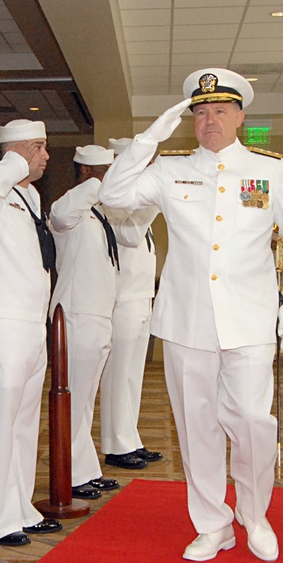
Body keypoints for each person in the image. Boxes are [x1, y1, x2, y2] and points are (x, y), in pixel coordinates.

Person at [99, 68, 283, 563]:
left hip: (252, 321)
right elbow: (113, 196)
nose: (209, 120)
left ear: (240, 115)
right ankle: (213, 524)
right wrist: (151, 135)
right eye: (199, 112)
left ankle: (255, 515)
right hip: (186, 320)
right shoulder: (169, 170)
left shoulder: (269, 170)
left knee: (253, 423)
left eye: (219, 110)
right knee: (196, 426)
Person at [0, 118, 61, 547]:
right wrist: (12, 161)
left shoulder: (30, 195)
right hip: (3, 321)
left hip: (33, 321)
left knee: (25, 423)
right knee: (1, 422)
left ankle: (21, 506)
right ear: (18, 150)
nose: (46, 156)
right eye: (39, 148)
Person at [49, 145, 122, 500]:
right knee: (73, 401)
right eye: (106, 171)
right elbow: (60, 215)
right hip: (76, 315)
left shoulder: (98, 214)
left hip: (98, 315)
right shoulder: (70, 210)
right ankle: (70, 475)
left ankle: (84, 468)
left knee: (85, 400)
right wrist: (97, 183)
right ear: (86, 174)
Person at [99, 137, 163, 470]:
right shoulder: (113, 201)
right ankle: (115, 444)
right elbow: (131, 235)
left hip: (142, 298)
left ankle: (130, 438)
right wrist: (155, 203)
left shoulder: (138, 206)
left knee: (134, 375)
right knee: (118, 374)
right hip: (122, 300)